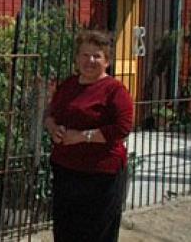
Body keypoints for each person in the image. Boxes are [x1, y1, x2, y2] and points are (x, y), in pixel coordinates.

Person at [44, 30, 134, 242]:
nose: (90, 60)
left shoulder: (115, 90)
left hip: (100, 175)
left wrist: (83, 136)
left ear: (107, 61)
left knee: (96, 232)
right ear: (77, 58)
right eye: (85, 55)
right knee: (66, 229)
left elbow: (122, 127)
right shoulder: (69, 85)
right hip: (66, 171)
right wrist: (52, 127)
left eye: (97, 56)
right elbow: (51, 113)